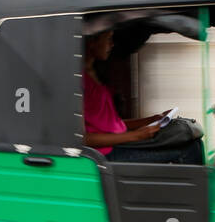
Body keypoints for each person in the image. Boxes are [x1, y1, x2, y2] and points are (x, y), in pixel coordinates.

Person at [82, 28, 203, 164]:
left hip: (118, 144)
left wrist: (153, 119)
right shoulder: (78, 80)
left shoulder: (94, 74)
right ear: (92, 42)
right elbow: (84, 138)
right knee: (188, 151)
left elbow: (112, 124)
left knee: (195, 142)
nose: (112, 44)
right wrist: (136, 136)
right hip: (103, 156)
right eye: (108, 39)